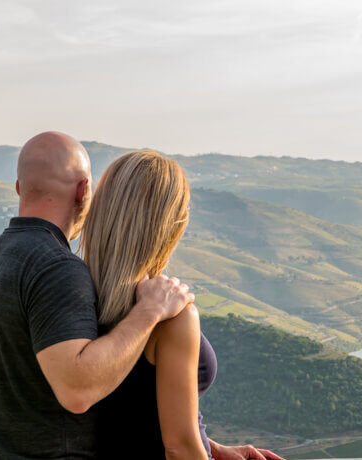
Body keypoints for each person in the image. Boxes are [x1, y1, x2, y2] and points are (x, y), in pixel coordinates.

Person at [0, 132, 194, 459]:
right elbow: (77, 390)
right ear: (83, 191)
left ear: (20, 188)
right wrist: (149, 311)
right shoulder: (58, 269)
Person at [81, 150, 284, 460]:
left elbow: (139, 416)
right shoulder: (172, 317)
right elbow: (180, 448)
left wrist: (213, 448)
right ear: (169, 225)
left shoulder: (74, 299)